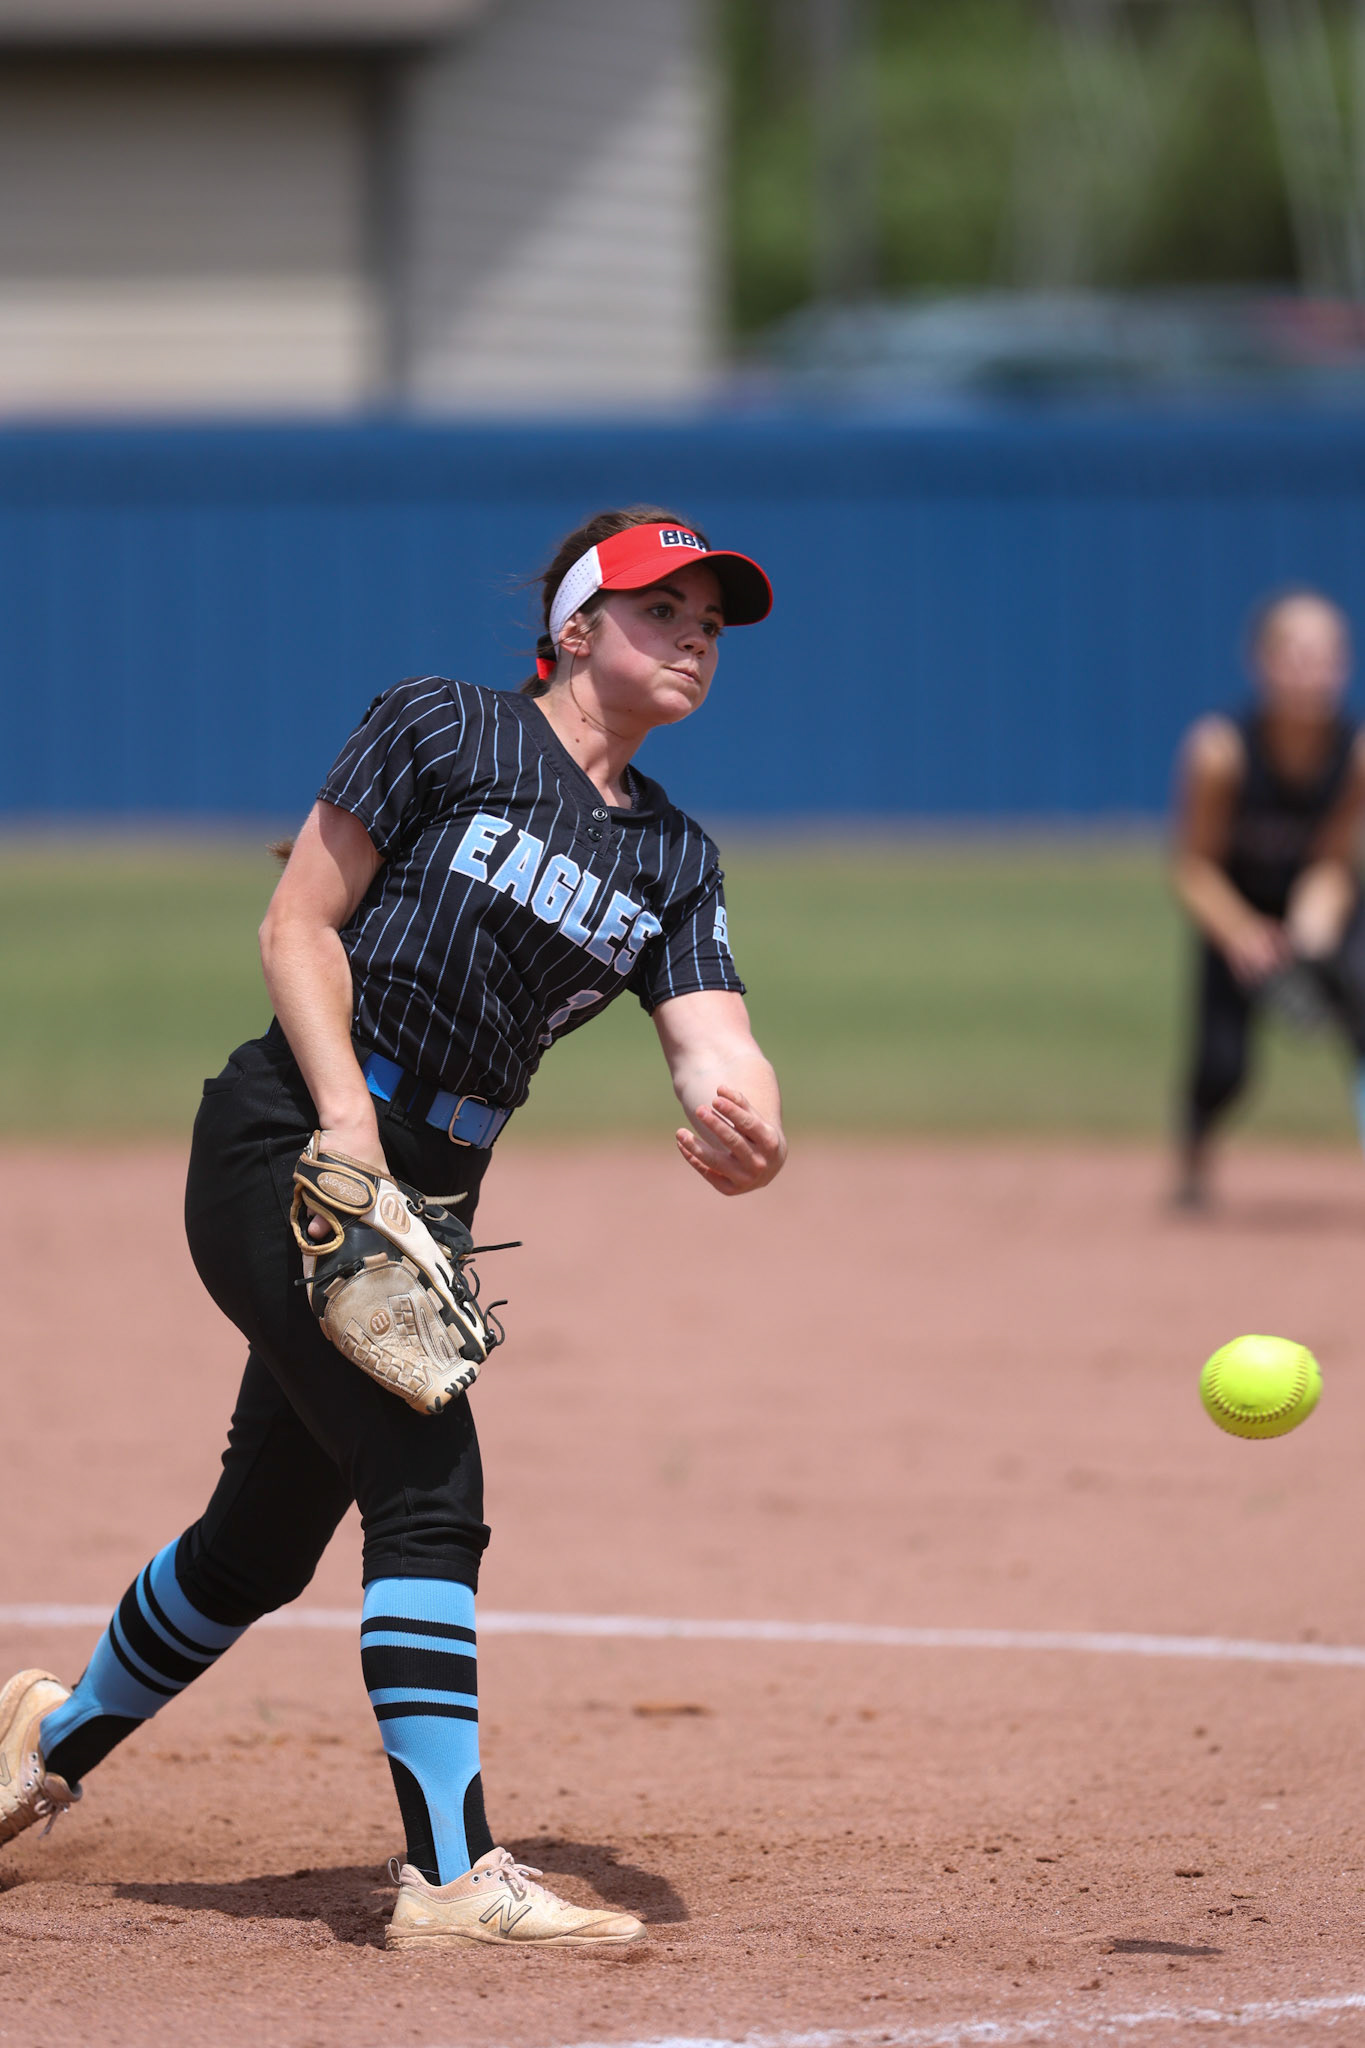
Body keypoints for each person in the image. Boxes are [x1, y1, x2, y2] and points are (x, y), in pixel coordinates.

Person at [0, 505, 787, 1950]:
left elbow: (712, 1037)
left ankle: (40, 1746)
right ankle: (452, 1873)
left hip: (425, 1203)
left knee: (257, 1548)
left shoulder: (673, 856)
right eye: (660, 609)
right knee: (429, 1481)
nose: (693, 638)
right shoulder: (446, 726)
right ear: (573, 627)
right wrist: (345, 1129)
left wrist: (749, 1121)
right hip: (291, 1144)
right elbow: (295, 924)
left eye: (710, 623)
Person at [1171, 587, 1365, 1208]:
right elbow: (1193, 867)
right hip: (1236, 906)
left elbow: (1333, 859)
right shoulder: (1221, 752)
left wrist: (1316, 921)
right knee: (1223, 1066)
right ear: (1263, 663)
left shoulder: (1357, 755)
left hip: (1317, 903)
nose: (1313, 673)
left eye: (1327, 657)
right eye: (1297, 656)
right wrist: (1242, 933)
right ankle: (1193, 1159)